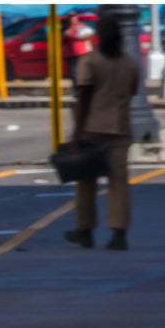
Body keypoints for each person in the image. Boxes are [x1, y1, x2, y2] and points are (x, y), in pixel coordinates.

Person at [65, 13, 139, 251]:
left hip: (92, 128)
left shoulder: (90, 61)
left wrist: (76, 134)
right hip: (121, 128)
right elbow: (132, 92)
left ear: (98, 36)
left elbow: (84, 97)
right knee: (119, 182)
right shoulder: (130, 63)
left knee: (86, 182)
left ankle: (85, 231)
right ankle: (119, 235)